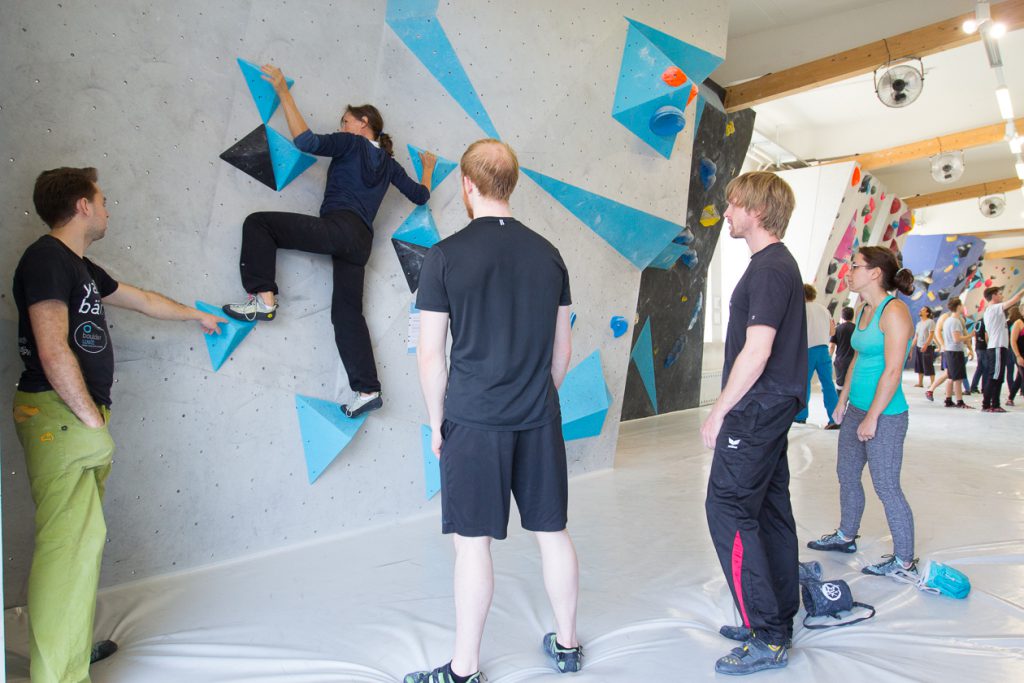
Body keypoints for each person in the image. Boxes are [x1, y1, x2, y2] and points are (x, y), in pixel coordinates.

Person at [12, 167, 224, 683]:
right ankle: (59, 676)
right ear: (82, 205)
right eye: (103, 200)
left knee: (81, 544)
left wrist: (197, 316)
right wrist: (91, 421)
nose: (108, 208)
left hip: (74, 420)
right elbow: (51, 346)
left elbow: (143, 300)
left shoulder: (78, 266)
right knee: (69, 548)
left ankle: (69, 653)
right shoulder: (45, 258)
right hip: (61, 420)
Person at [407, 139, 579, 683]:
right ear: (512, 183)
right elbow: (563, 348)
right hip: (537, 415)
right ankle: (569, 646)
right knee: (553, 533)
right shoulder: (550, 253)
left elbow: (431, 353)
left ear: (467, 184)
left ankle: (464, 670)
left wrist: (437, 424)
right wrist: (537, 396)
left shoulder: (444, 255)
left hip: (474, 421)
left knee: (472, 547)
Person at [222, 63, 437, 418]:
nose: (342, 126)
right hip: (360, 243)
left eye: (346, 121)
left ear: (363, 121)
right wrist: (427, 167)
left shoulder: (350, 143)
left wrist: (283, 91)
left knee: (260, 224)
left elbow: (306, 142)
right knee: (347, 314)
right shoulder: (389, 164)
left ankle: (263, 298)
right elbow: (421, 195)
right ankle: (367, 389)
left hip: (339, 228)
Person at [701, 172, 805, 676]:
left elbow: (757, 350)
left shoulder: (768, 269)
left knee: (726, 506)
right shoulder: (777, 266)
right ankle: (777, 613)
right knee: (769, 509)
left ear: (757, 210)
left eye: (734, 204)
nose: (727, 213)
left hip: (758, 407)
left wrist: (719, 411)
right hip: (774, 406)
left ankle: (767, 633)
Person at [807, 246, 918, 580]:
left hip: (885, 414)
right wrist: (843, 400)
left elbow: (893, 371)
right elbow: (858, 357)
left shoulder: (893, 311)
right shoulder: (864, 308)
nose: (848, 271)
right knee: (847, 473)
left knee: (886, 485)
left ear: (875, 273)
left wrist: (872, 417)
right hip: (857, 409)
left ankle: (904, 560)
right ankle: (846, 535)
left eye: (854, 266)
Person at [794, 284, 839, 429]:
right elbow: (832, 332)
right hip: (823, 349)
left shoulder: (800, 310)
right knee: (828, 384)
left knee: (803, 384)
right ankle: (835, 418)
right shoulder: (824, 309)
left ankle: (801, 416)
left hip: (807, 350)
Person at [980, 285, 1024, 412]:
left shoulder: (993, 310)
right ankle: (988, 405)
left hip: (998, 347)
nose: (1002, 296)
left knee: (998, 377)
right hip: (997, 347)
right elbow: (1015, 299)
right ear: (993, 296)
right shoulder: (994, 308)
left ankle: (995, 404)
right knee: (995, 377)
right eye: (999, 294)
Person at [940, 299, 973, 408]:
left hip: (949, 351)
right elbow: (957, 338)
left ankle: (948, 400)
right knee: (957, 378)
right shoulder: (955, 321)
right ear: (958, 306)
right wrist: (970, 335)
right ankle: (960, 402)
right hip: (955, 351)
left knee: (950, 376)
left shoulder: (948, 320)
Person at [832, 306, 855, 391]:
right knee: (852, 383)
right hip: (854, 361)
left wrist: (829, 357)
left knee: (840, 385)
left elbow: (831, 346)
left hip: (840, 361)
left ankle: (840, 402)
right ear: (852, 316)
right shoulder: (856, 329)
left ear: (842, 316)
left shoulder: (837, 329)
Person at [912, 306, 936, 387]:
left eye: (923, 310)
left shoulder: (930, 322)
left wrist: (926, 344)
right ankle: (920, 383)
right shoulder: (918, 324)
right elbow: (916, 336)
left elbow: (931, 334)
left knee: (928, 364)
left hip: (928, 347)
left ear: (927, 313)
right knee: (919, 365)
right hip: (919, 346)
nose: (920, 311)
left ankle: (932, 383)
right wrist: (911, 347)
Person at [1009, 302, 1024, 405]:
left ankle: (1010, 398)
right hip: (1019, 354)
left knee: (1019, 377)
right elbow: (1013, 341)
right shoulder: (1018, 323)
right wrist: (1018, 356)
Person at [968, 315, 988, 395]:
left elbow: (974, 334)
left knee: (979, 368)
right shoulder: (986, 322)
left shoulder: (978, 322)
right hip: (984, 347)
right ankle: (985, 388)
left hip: (978, 347)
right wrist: (989, 345)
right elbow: (986, 335)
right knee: (986, 369)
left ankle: (973, 387)